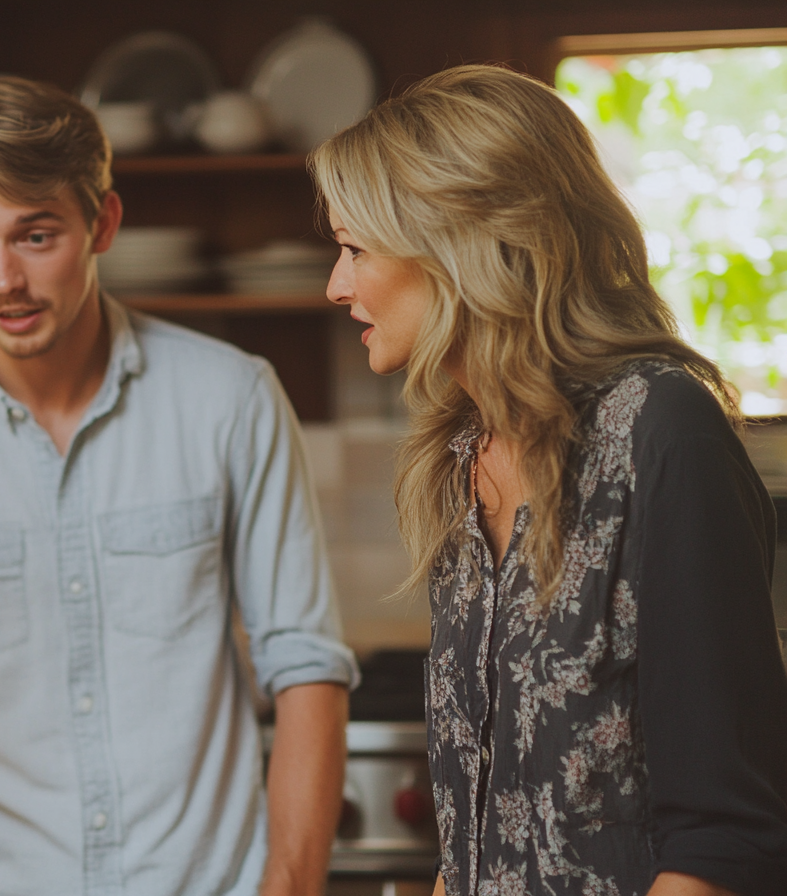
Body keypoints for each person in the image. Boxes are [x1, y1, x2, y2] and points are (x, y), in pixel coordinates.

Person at [0, 76, 358, 896]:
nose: (3, 281)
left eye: (34, 236)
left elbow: (306, 666)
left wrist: (288, 888)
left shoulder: (230, 399)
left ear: (103, 223)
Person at [311, 64, 787, 896]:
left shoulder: (658, 428)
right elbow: (470, 827)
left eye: (355, 249)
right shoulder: (458, 455)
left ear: (459, 247)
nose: (336, 284)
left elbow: (723, 837)